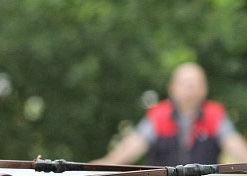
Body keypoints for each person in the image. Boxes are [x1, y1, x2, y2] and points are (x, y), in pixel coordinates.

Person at [95, 62, 247, 165]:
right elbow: (128, 150)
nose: (191, 88)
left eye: (196, 83)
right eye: (186, 83)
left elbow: (237, 148)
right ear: (172, 88)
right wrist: (94, 170)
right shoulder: (158, 116)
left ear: (205, 88)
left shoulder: (215, 115)